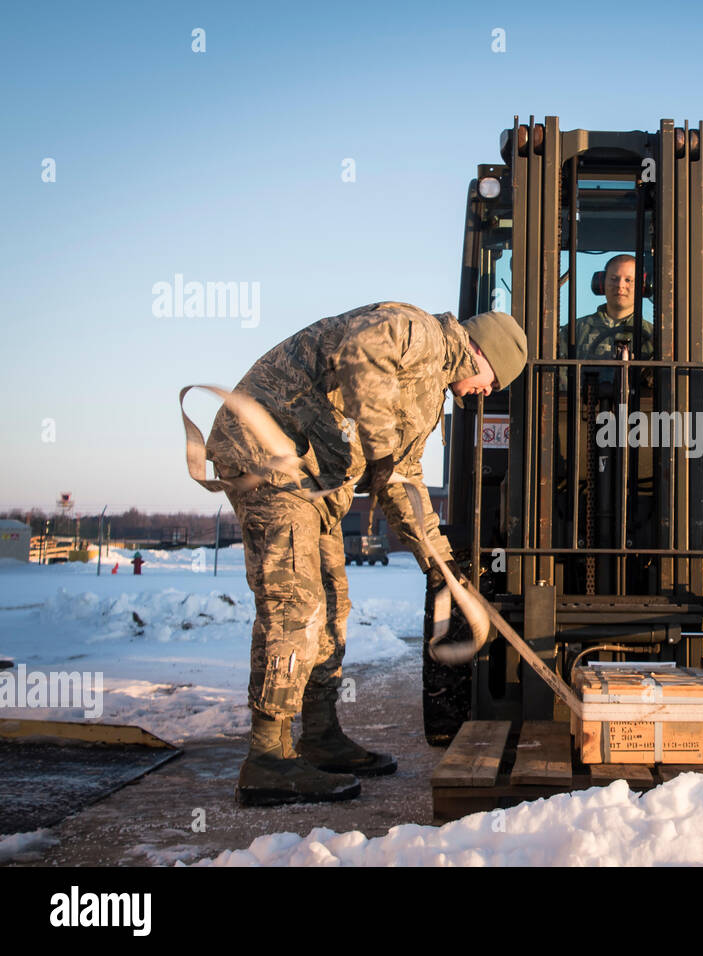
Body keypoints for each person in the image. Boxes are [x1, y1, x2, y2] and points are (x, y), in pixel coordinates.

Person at [202, 302, 527, 807]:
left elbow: (403, 482)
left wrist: (441, 565)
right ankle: (267, 758)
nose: (488, 393)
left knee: (334, 602)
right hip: (267, 452)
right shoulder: (417, 331)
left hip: (312, 486)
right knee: (296, 601)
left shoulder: (429, 399)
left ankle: (319, 734)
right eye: (492, 380)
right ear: (479, 353)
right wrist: (378, 448)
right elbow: (362, 352)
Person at [564, 254, 654, 360]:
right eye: (614, 279)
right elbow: (559, 373)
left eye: (628, 280)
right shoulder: (574, 331)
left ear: (642, 286)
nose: (620, 285)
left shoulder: (654, 337)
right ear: (601, 283)